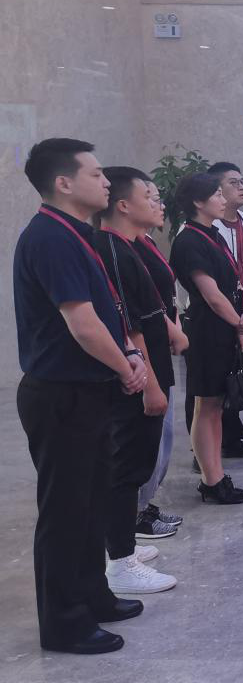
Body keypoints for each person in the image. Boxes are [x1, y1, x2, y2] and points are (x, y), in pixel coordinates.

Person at [15, 138, 148, 654]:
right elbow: (82, 323)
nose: (106, 181)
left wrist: (127, 356)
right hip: (62, 393)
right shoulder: (51, 237)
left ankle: (93, 595)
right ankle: (64, 622)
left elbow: (102, 314)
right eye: (95, 174)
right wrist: (126, 365)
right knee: (66, 509)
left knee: (91, 502)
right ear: (63, 183)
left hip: (88, 390)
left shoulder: (75, 233)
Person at [95, 167, 179, 594]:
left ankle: (121, 544)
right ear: (124, 205)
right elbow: (128, 326)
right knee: (126, 466)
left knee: (138, 462)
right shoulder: (111, 248)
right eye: (149, 195)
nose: (157, 202)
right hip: (138, 375)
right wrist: (150, 384)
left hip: (153, 366)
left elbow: (150, 310)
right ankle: (121, 562)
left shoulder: (132, 247)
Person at [170, 173, 243, 504]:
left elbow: (233, 284)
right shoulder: (188, 240)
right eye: (217, 194)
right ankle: (211, 479)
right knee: (206, 405)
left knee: (217, 405)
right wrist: (239, 323)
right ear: (198, 202)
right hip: (207, 329)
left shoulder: (213, 234)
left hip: (226, 325)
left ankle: (216, 473)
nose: (223, 199)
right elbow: (211, 294)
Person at [178, 161, 243, 460]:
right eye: (229, 185)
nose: (240, 188)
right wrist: (239, 321)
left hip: (238, 315)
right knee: (205, 394)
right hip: (210, 321)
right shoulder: (192, 235)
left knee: (230, 384)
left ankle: (229, 440)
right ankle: (204, 454)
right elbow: (208, 292)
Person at [133, 179, 188, 539]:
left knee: (162, 436)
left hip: (160, 348)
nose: (161, 205)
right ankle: (134, 513)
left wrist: (173, 326)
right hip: (144, 357)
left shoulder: (147, 243)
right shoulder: (120, 248)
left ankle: (145, 502)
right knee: (146, 437)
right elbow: (135, 314)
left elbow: (161, 298)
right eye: (151, 198)